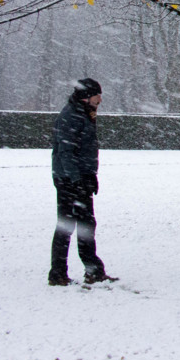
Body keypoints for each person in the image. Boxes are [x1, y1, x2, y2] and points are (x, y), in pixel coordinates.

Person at [49, 78, 116, 285]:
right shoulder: (72, 116)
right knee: (69, 226)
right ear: (87, 96)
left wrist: (90, 176)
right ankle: (60, 273)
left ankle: (89, 270)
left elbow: (82, 150)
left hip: (78, 179)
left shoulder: (83, 114)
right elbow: (65, 152)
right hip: (70, 181)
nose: (100, 99)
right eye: (98, 95)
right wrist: (76, 180)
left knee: (83, 224)